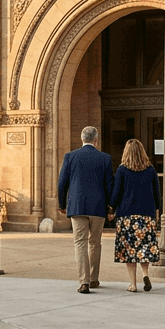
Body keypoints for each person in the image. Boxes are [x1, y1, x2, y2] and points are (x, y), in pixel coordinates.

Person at [57, 126, 113, 294]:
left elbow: (62, 183)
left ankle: (84, 282)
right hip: (98, 207)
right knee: (95, 243)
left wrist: (62, 204)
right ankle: (94, 278)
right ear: (96, 140)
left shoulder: (70, 157)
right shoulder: (105, 158)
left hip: (77, 206)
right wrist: (111, 207)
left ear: (82, 139)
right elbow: (109, 185)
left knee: (80, 243)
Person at [109, 138, 161, 292]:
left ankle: (133, 283)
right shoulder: (150, 170)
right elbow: (157, 194)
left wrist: (111, 209)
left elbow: (116, 194)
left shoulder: (122, 170)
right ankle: (145, 274)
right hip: (146, 215)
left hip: (127, 216)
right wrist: (156, 211)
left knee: (129, 251)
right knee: (145, 248)